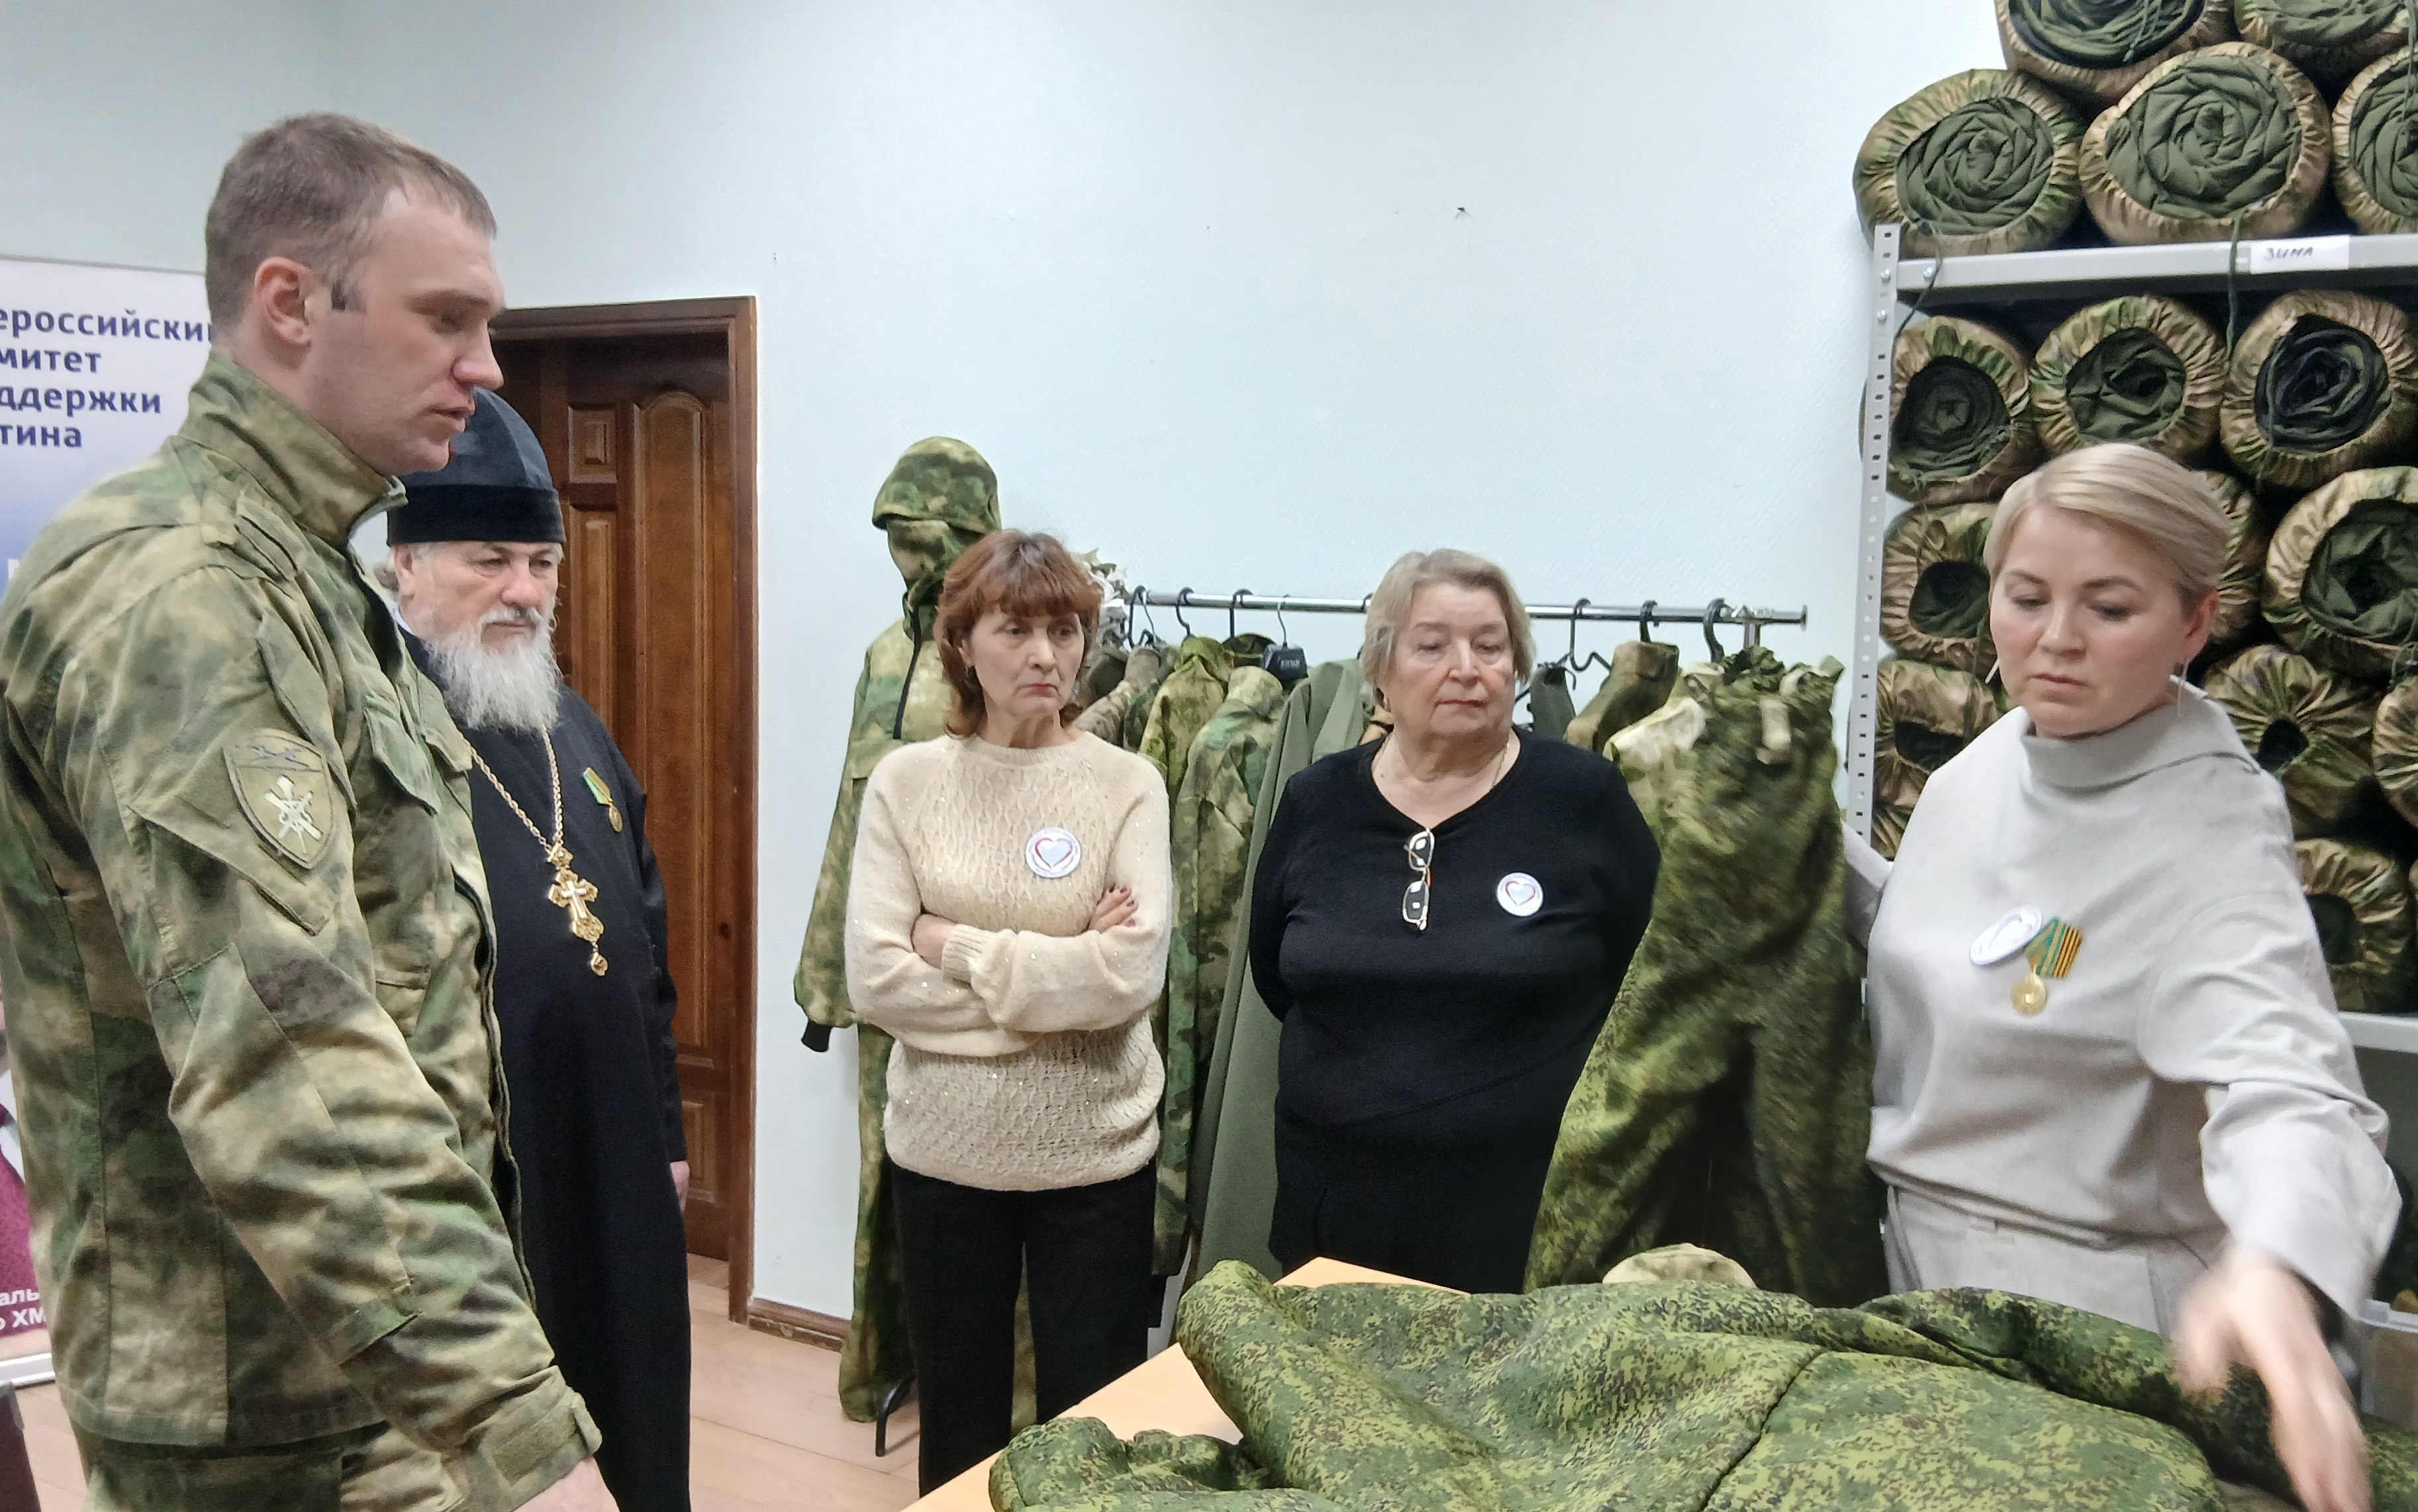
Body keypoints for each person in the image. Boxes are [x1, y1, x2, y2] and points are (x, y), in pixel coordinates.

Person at [0, 115, 614, 1510]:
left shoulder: (304, 573)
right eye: (445, 317)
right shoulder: (185, 594)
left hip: (359, 1371)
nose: (486, 365)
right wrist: (528, 1439)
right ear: (289, 302)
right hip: (264, 1415)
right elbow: (289, 1062)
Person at [1860, 442, 2397, 1512]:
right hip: (1919, 1285)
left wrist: (2278, 1264)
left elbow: (2290, 1081)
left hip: (2097, 1329)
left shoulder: (2209, 832)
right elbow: (1958, 946)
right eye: (2026, 597)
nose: (2054, 639)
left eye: (2108, 607)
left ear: (2196, 623)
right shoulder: (1987, 764)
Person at [382, 390, 691, 1511]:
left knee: (635, 1401)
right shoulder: (377, 737)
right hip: (485, 1171)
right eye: (490, 561)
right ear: (406, 567)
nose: (523, 589)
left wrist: (667, 1134)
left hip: (617, 1147)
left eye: (541, 563)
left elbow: (644, 938)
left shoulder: (573, 725)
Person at [843, 529, 1171, 1493]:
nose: (1045, 656)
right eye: (1016, 630)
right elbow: (875, 979)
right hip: (946, 1157)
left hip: (1096, 1157)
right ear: (962, 644)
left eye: (1065, 631)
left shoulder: (1128, 785)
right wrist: (1059, 984)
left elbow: (1130, 975)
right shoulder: (907, 784)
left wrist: (955, 944)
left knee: (1094, 1429)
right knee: (958, 1422)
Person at [1247, 549, 1659, 1294]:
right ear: (1381, 670)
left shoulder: (1582, 799)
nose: (1466, 669)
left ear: (1516, 666)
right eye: (1432, 646)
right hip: (1334, 1223)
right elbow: (1277, 975)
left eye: (1490, 647)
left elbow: (1646, 986)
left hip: (1534, 1235)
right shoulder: (1316, 802)